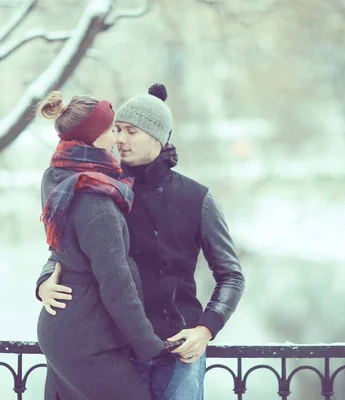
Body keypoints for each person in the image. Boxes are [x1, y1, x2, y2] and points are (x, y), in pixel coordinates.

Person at [37, 84, 245, 400]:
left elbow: (231, 275)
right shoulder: (103, 188)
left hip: (178, 351)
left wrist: (205, 330)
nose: (120, 138)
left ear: (158, 137)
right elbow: (67, 247)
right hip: (115, 348)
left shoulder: (196, 197)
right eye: (116, 129)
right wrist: (44, 282)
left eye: (131, 131)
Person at [35, 91, 172, 400]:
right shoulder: (95, 199)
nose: (116, 138)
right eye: (111, 129)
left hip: (66, 330)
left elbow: (61, 249)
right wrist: (150, 345)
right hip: (85, 340)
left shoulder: (60, 176)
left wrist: (44, 280)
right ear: (94, 137)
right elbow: (116, 284)